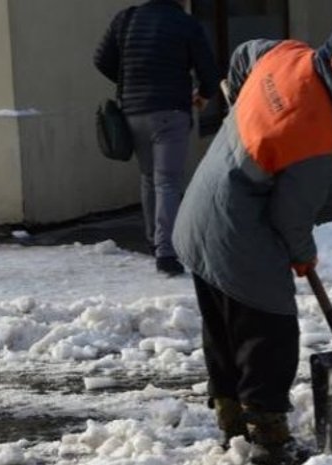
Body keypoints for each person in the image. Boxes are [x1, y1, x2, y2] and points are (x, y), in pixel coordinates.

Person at [172, 17, 332, 465]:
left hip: (197, 215)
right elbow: (288, 217)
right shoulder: (319, 131)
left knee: (223, 327)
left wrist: (239, 103)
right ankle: (269, 442)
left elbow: (243, 54)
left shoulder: (287, 55)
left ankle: (231, 426)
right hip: (238, 231)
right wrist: (304, 255)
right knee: (269, 333)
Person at [94, 0, 220, 276]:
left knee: (149, 176)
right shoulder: (186, 24)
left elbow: (101, 59)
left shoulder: (126, 19)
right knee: (167, 182)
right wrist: (203, 94)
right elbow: (209, 72)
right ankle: (166, 252)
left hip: (134, 111)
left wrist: (131, 80)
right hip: (170, 111)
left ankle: (154, 241)